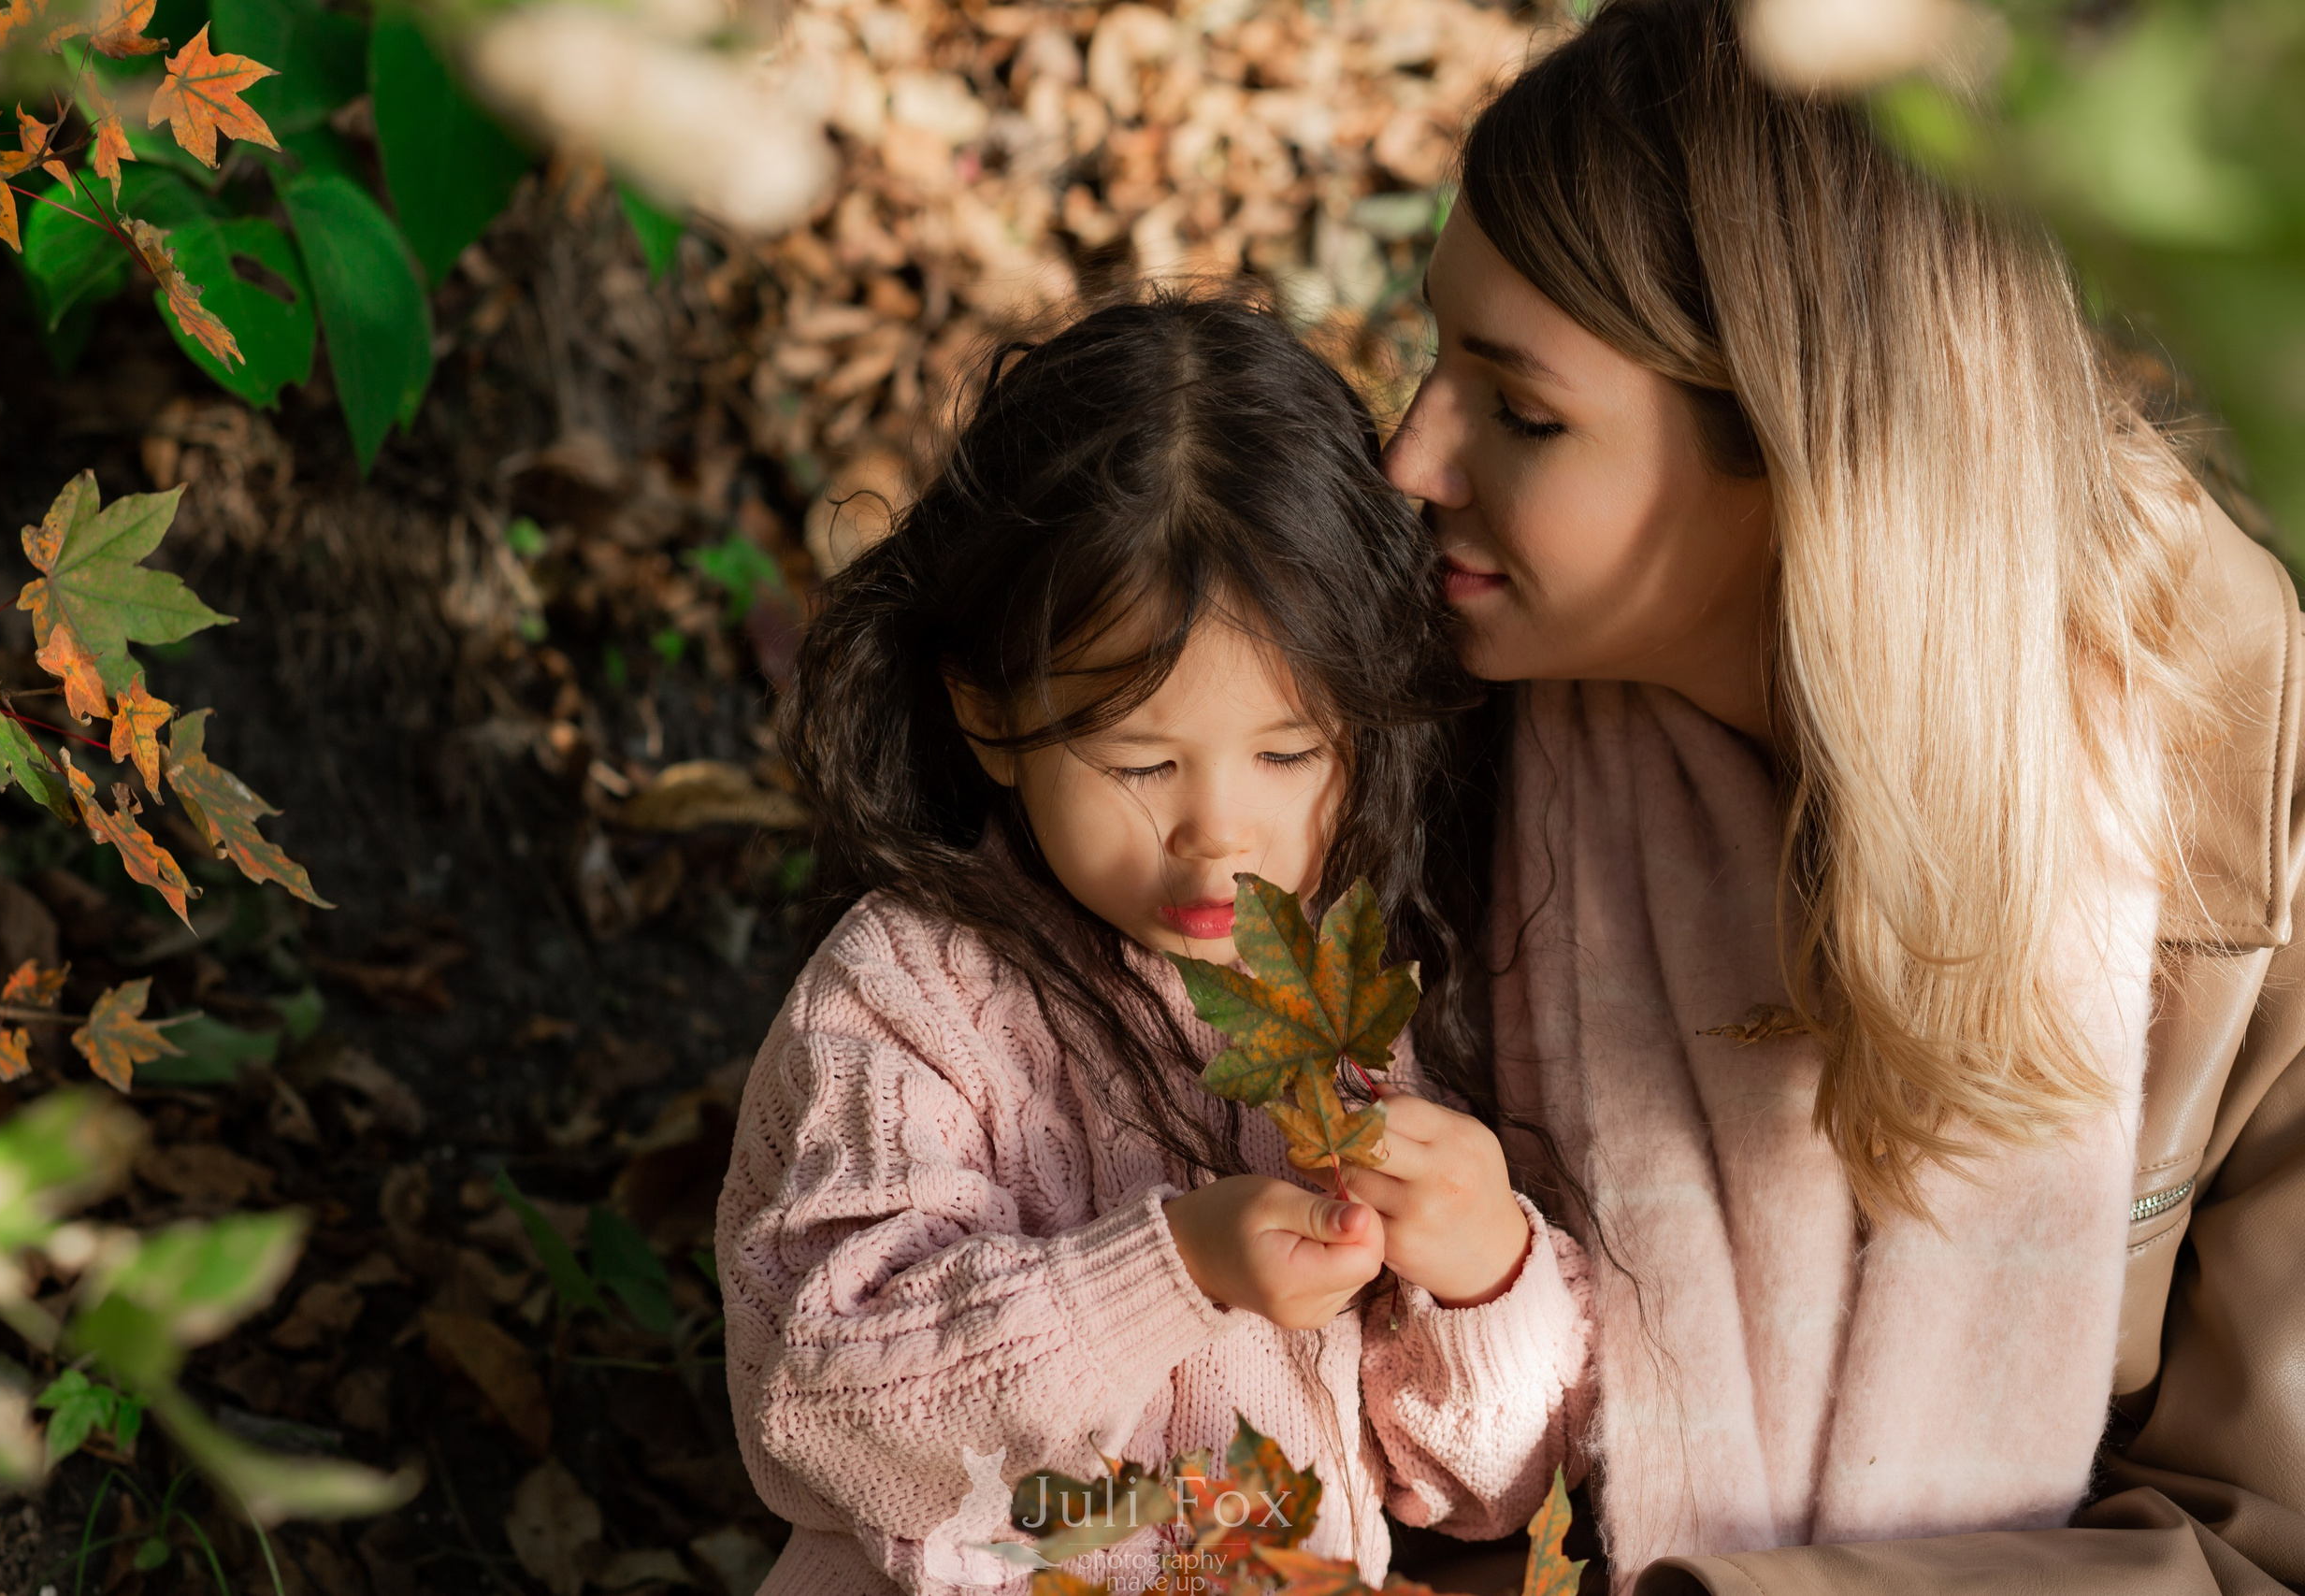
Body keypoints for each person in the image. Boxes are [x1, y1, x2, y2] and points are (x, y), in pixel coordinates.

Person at [1381, 1, 2305, 1591]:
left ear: (1811, 454)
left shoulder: (2224, 758)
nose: (1410, 458)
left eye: (1522, 414)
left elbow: (2263, 1535)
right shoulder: (1402, 715)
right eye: (1433, 356)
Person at [715, 295, 1594, 1595]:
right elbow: (826, 1408)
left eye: (1290, 754)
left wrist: (1484, 1279)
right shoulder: (904, 1000)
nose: (1218, 835)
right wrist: (1178, 1267)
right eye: (1140, 761)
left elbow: (1491, 1493)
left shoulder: (1381, 992)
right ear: (988, 712)